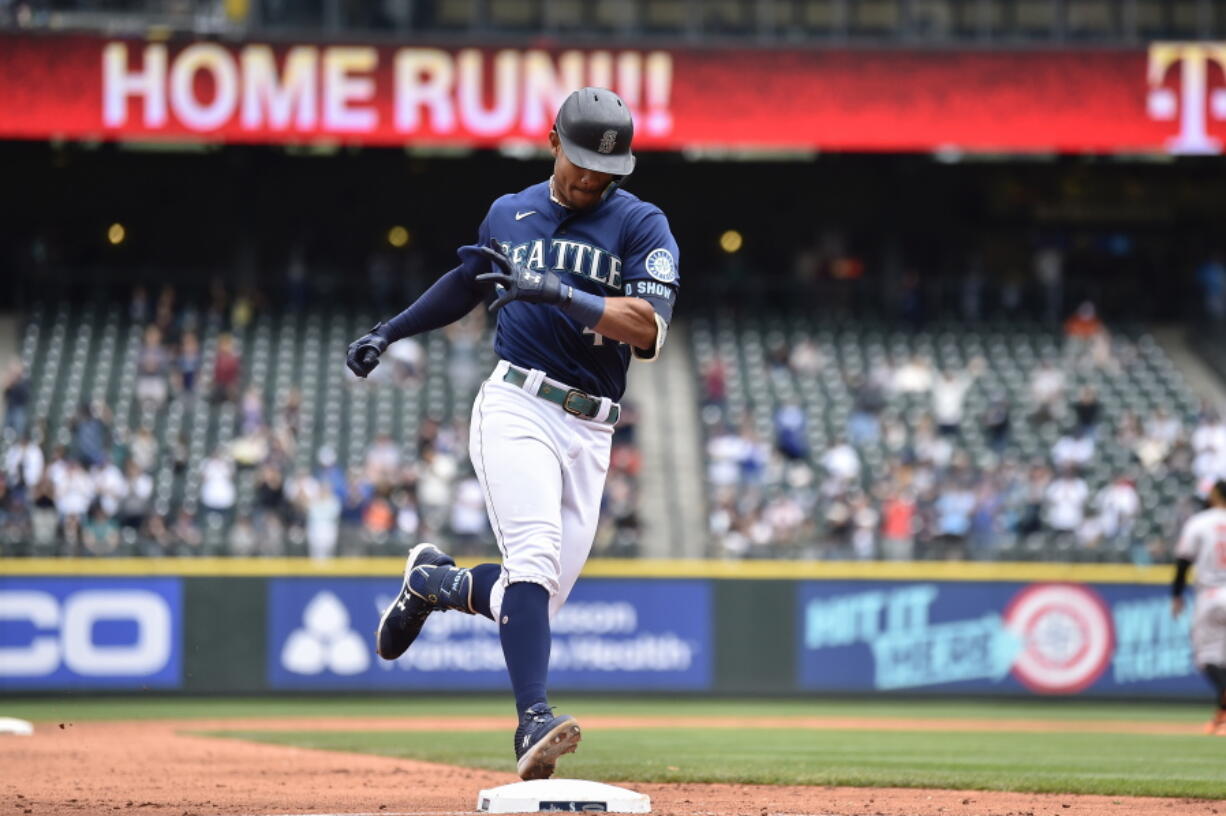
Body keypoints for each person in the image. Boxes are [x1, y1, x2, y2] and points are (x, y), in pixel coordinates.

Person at [346, 88, 679, 780]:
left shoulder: (641, 224)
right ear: (552, 140)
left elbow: (647, 326)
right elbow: (466, 281)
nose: (593, 179)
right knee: (531, 561)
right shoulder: (510, 213)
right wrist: (390, 331)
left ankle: (433, 582)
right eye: (583, 162)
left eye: (607, 169)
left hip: (591, 427)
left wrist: (560, 291)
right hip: (517, 404)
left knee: (535, 598)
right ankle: (533, 718)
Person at [1171, 480, 1226, 735]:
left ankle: (1223, 710)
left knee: (1207, 657)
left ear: (1215, 495)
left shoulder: (1200, 521)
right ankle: (1221, 716)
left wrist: (1176, 595)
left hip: (1211, 594)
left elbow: (1183, 562)